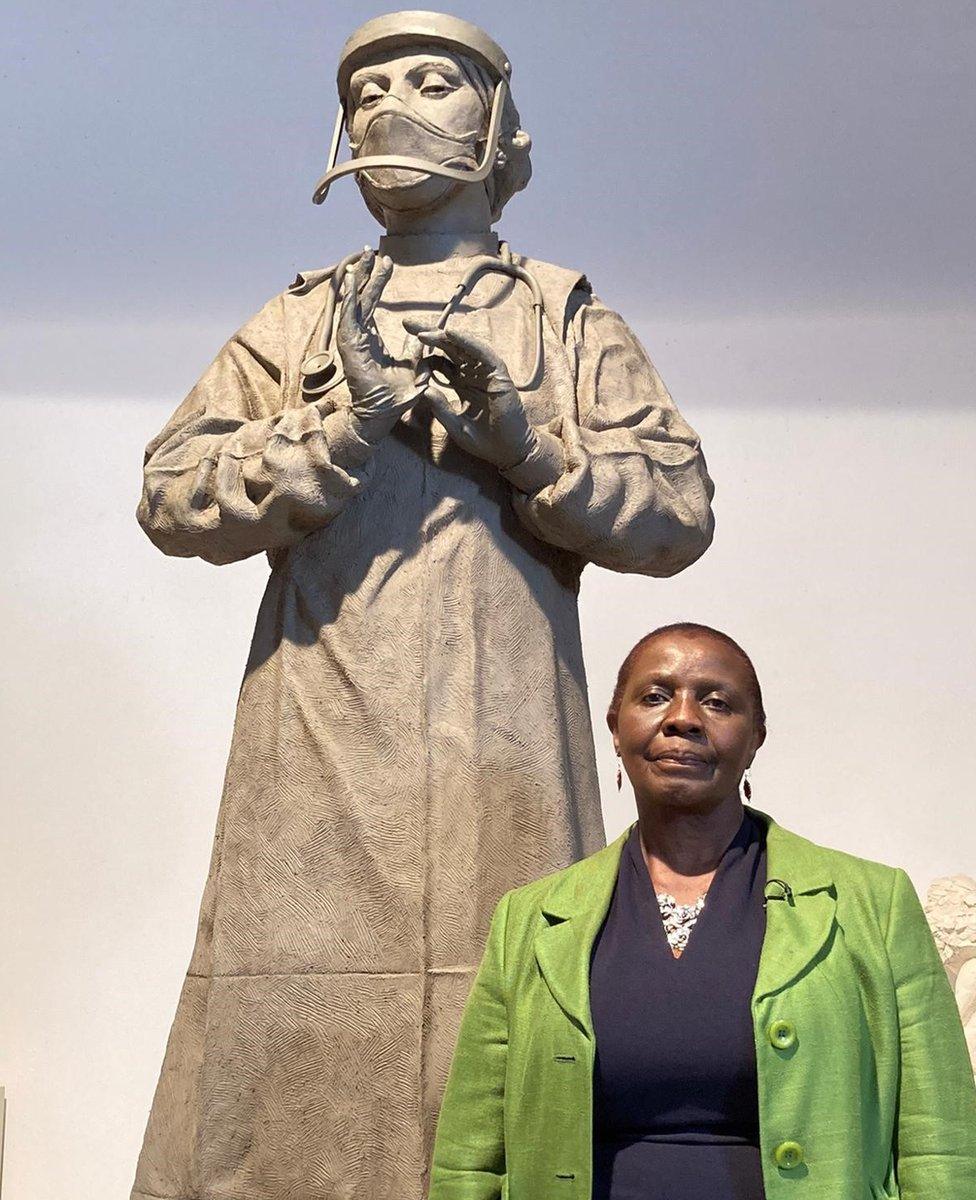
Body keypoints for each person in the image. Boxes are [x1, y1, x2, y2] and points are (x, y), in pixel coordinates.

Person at [130, 14, 714, 1200]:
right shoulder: (296, 321)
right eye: (366, 88)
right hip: (316, 750)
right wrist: (330, 430)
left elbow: (676, 509)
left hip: (504, 746)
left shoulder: (562, 316)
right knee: (287, 1048)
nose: (391, 102)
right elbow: (170, 491)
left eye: (431, 79)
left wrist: (532, 452)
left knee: (507, 1036)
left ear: (500, 130)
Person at [430, 623, 976, 1199]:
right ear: (616, 729)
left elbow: (940, 1144)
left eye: (716, 702)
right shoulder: (530, 918)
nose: (683, 718)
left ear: (755, 738)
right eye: (655, 696)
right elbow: (471, 1159)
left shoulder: (875, 903)